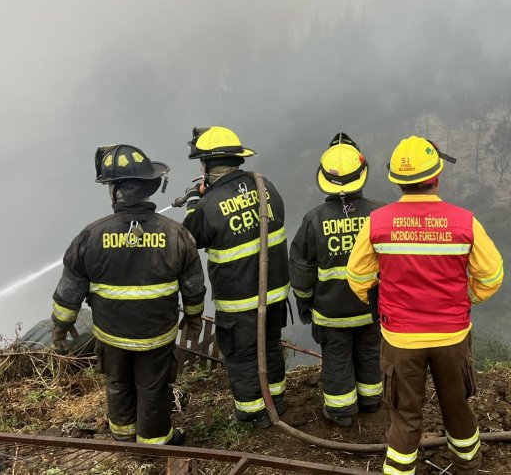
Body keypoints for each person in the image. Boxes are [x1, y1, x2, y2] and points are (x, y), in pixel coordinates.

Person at [347, 135, 504, 475]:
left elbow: (358, 277)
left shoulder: (377, 223)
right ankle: (467, 466)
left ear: (396, 181)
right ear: (436, 177)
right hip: (452, 338)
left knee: (404, 416)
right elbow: (492, 276)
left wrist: (383, 306)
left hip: (400, 340)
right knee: (457, 409)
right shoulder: (464, 222)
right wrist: (467, 299)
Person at [51, 144, 206, 445]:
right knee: (153, 386)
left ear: (114, 191)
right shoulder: (176, 233)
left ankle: (122, 436)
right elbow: (193, 285)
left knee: (118, 382)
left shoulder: (90, 235)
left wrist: (61, 325)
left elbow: (70, 288)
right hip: (156, 334)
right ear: (149, 187)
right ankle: (155, 440)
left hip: (112, 334)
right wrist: (194, 316)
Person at [181, 126, 289, 429]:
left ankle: (252, 415)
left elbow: (191, 237)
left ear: (205, 166)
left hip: (239, 300)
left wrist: (194, 201)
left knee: (242, 357)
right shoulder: (266, 186)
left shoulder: (208, 205)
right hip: (275, 293)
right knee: (270, 346)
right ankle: (276, 403)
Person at [289, 133, 384, 428]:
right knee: (369, 352)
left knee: (337, 358)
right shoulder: (380, 214)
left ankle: (341, 412)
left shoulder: (313, 219)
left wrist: (304, 302)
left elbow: (301, 269)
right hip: (371, 309)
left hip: (331, 313)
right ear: (362, 175)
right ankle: (371, 401)